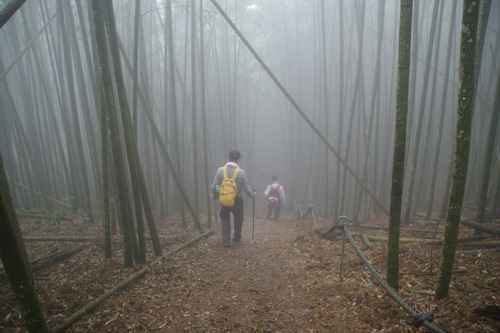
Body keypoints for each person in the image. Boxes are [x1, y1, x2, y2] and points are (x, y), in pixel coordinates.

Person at [211, 150, 255, 247]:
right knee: (238, 219)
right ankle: (237, 238)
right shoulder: (241, 173)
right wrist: (252, 194)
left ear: (228, 158)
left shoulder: (220, 170)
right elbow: (246, 188)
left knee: (225, 219)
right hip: (237, 200)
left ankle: (226, 240)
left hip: (224, 200)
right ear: (238, 160)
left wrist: (217, 194)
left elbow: (215, 186)